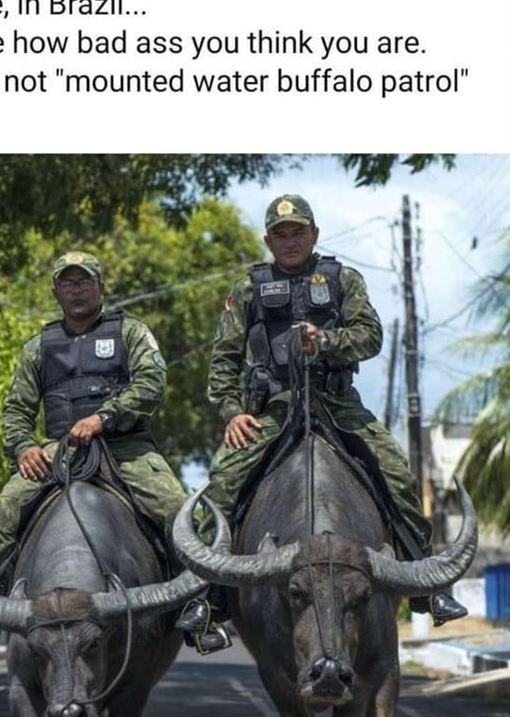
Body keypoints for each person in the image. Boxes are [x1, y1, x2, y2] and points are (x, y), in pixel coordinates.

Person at [176, 194, 467, 636]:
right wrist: (234, 413)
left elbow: (370, 337)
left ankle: (428, 586)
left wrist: (326, 341)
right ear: (268, 240)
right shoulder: (247, 288)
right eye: (280, 234)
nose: (289, 241)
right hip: (273, 408)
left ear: (314, 234)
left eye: (298, 232)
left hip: (337, 403)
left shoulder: (342, 278)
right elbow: (223, 362)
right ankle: (209, 597)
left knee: (397, 476)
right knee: (222, 487)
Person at [0, 251, 226, 651]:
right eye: (67, 282)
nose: (76, 289)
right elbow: (15, 408)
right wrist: (24, 447)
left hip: (125, 446)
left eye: (84, 281)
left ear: (101, 287)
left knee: (174, 509)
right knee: (5, 510)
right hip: (59, 450)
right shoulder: (38, 346)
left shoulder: (130, 332)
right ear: (55, 290)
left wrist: (105, 418)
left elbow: (151, 384)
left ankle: (202, 607)